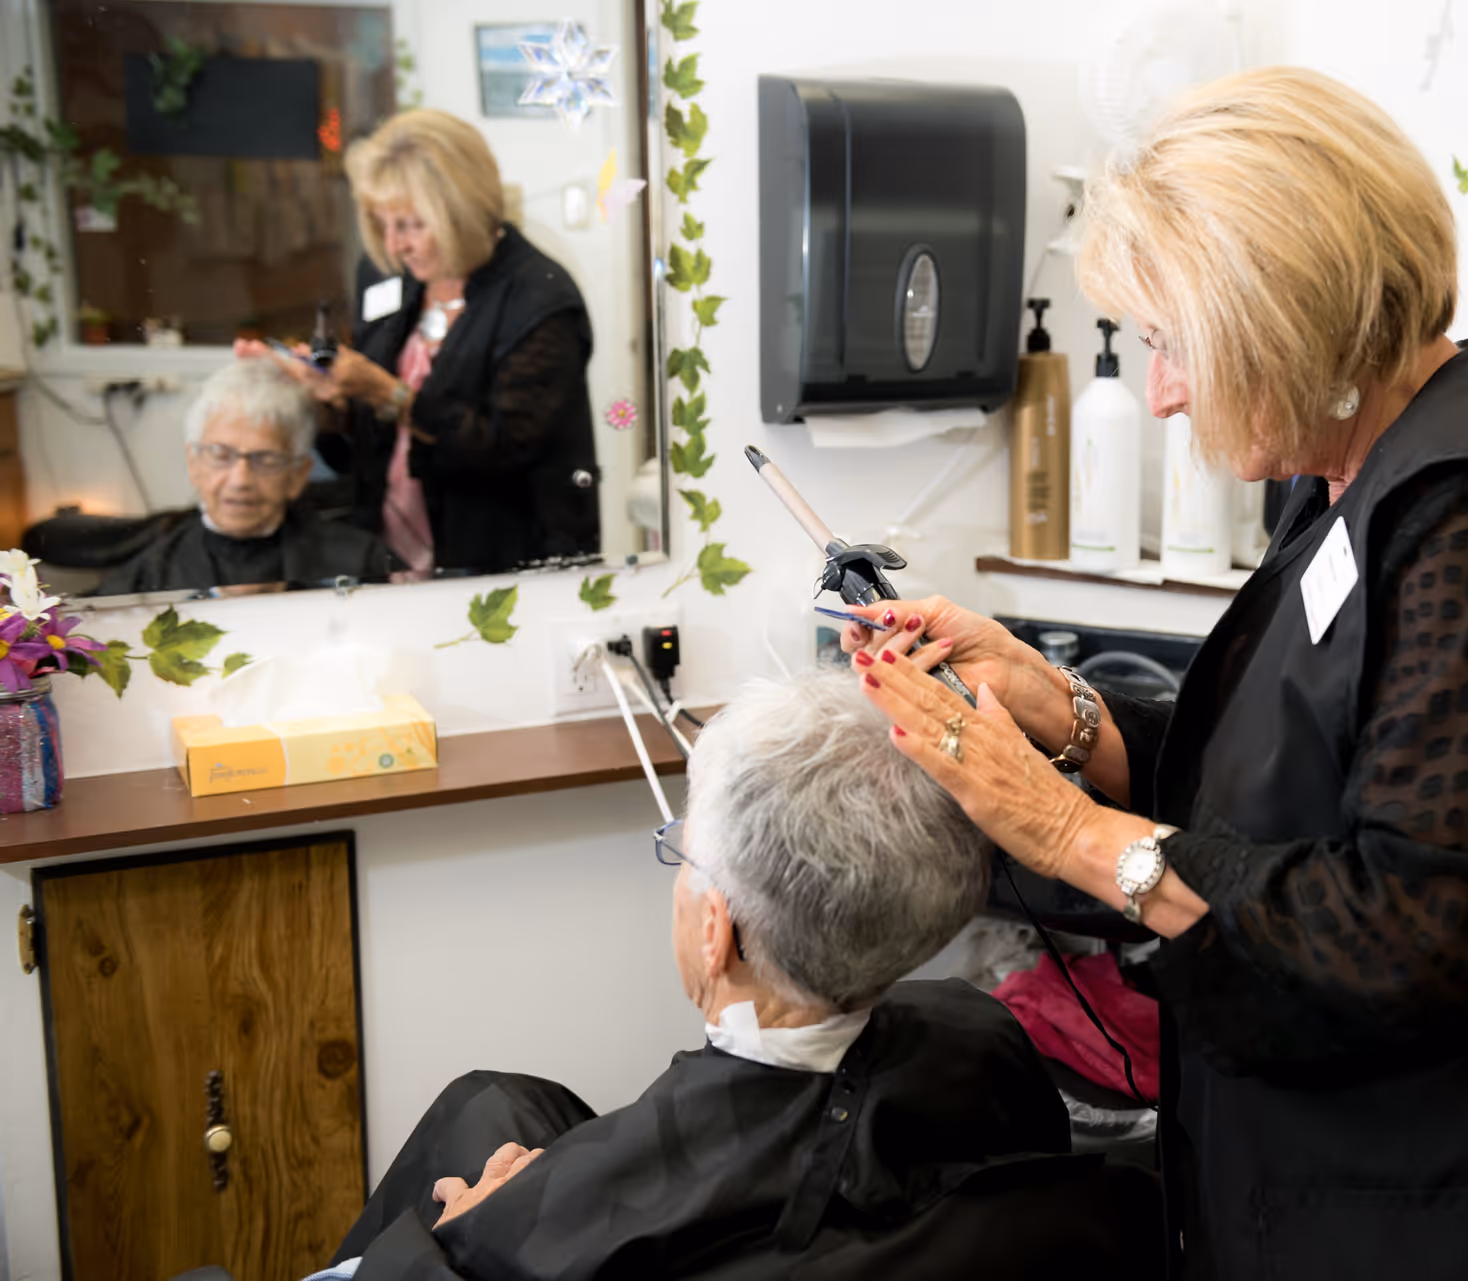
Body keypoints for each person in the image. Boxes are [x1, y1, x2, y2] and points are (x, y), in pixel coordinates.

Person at [847, 68, 1468, 1279]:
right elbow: (1301, 771)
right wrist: (1061, 707)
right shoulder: (1364, 468)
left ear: (1281, 314)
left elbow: (1401, 933)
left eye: (1171, 341)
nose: (1164, 390)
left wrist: (1062, 828)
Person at [326, 671, 1161, 1280]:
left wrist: (456, 1242)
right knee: (497, 1097)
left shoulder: (527, 1229)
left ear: (715, 930)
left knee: (475, 1119)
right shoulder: (983, 1035)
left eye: (681, 853)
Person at [241, 109, 599, 577]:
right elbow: (370, 442)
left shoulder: (540, 300)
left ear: (462, 211)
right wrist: (323, 398)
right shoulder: (387, 275)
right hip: (385, 555)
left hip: (501, 566)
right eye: (381, 223)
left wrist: (387, 393)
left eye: (410, 225)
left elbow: (503, 451)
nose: (393, 246)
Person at [93, 361, 393, 596]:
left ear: (298, 474)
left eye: (266, 459)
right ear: (193, 462)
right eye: (221, 454)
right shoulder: (150, 575)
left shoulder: (360, 561)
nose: (241, 479)